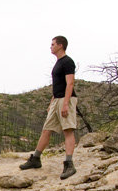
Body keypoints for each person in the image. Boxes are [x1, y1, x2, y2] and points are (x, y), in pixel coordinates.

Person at [20, 35, 77, 179]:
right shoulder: (58, 62)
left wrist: (65, 103)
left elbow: (70, 84)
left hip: (65, 99)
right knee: (46, 130)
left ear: (60, 45)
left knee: (68, 131)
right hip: (57, 99)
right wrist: (52, 102)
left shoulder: (68, 62)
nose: (50, 46)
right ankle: (36, 159)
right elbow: (59, 85)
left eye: (53, 44)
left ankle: (69, 164)